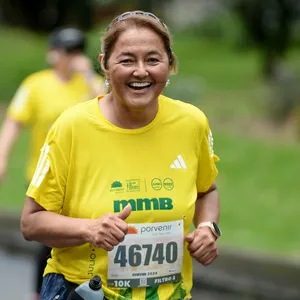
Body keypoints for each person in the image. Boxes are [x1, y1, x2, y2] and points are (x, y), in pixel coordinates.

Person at [20, 11, 221, 300]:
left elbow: (207, 190)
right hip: (83, 292)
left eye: (153, 59)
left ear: (170, 63)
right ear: (104, 64)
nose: (141, 71)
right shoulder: (72, 126)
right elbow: (31, 223)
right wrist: (90, 229)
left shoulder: (192, 123)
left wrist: (207, 227)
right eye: (127, 60)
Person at [0, 27, 106, 299]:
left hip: (87, 176)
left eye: (77, 51)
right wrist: (2, 156)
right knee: (49, 238)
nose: (71, 58)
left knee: (80, 237)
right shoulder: (36, 84)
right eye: (66, 52)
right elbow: (14, 121)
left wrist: (86, 73)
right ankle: (42, 292)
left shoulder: (89, 83)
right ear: (52, 54)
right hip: (45, 174)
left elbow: (108, 102)